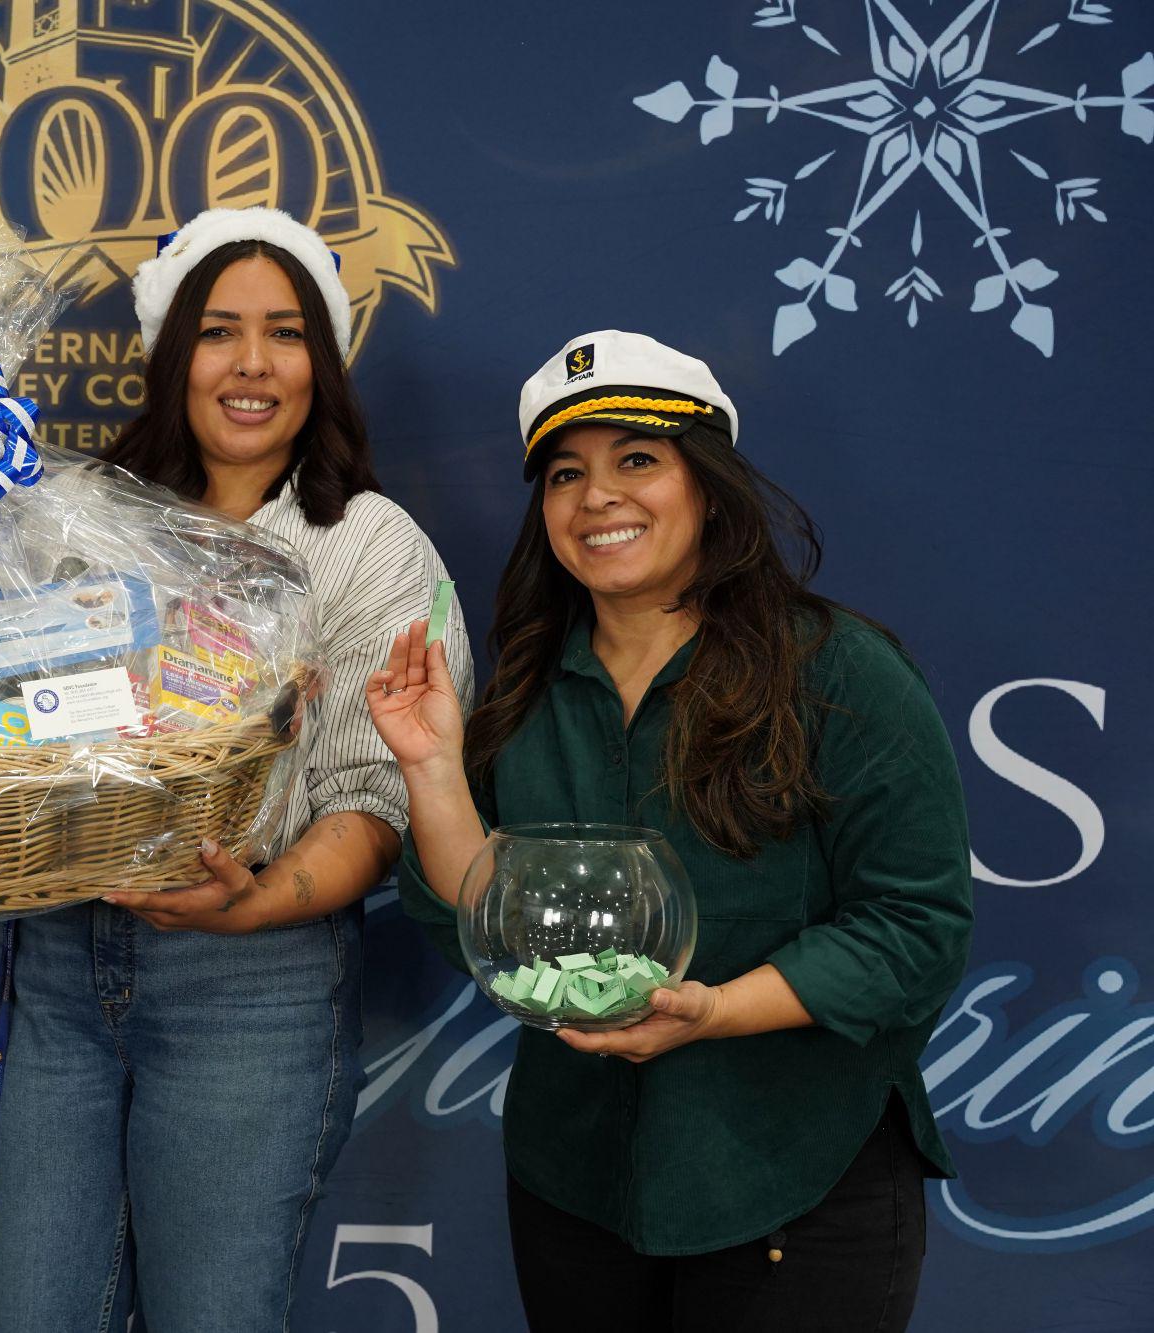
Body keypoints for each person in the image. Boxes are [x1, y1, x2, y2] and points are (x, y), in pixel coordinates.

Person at [367, 329, 973, 1332]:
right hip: (575, 1184)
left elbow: (912, 929)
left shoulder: (840, 671)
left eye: (635, 460)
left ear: (708, 485)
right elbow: (481, 918)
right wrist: (430, 764)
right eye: (564, 474)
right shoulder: (518, 690)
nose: (595, 496)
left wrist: (714, 1009)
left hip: (796, 1176)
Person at [0, 206, 475, 1333]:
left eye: (285, 334)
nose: (251, 364)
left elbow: (372, 799)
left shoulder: (365, 545)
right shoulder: (77, 522)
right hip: (59, 964)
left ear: (321, 364)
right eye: (218, 331)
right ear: (169, 355)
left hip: (253, 984)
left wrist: (252, 905)